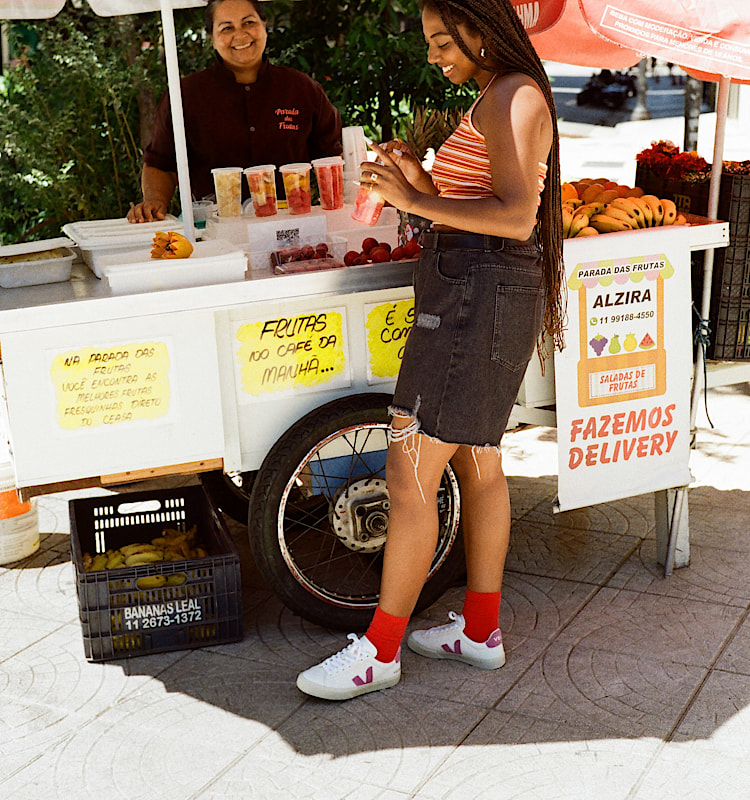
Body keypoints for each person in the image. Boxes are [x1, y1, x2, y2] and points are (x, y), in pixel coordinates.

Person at [296, 0, 564, 701]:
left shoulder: (514, 95)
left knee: (409, 468)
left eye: (444, 39)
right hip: (479, 290)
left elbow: (512, 216)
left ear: (482, 27)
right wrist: (416, 184)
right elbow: (477, 204)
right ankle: (480, 632)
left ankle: (379, 651)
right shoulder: (500, 92)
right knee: (477, 463)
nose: (432, 53)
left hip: (476, 296)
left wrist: (416, 197)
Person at [127, 0, 342, 223]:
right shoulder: (185, 95)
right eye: (227, 28)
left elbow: (332, 158)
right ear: (211, 37)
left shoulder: (302, 88)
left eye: (249, 22)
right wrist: (155, 201)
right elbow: (161, 164)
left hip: (292, 227)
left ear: (264, 26)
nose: (240, 35)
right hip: (214, 229)